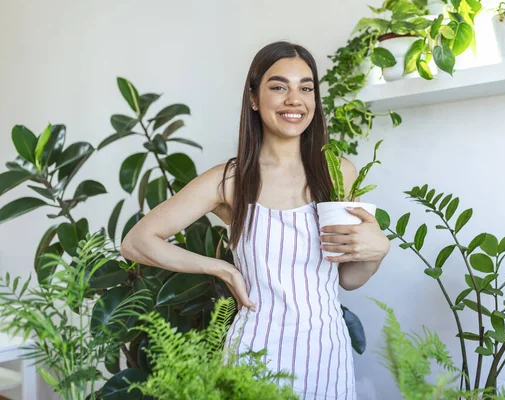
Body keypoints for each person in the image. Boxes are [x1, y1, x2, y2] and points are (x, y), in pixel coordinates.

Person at [121, 41, 390, 400]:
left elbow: (348, 278)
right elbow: (137, 241)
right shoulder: (230, 180)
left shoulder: (338, 172)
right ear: (253, 97)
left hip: (326, 353)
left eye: (305, 88)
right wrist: (221, 269)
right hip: (254, 353)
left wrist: (376, 251)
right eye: (279, 87)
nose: (295, 99)